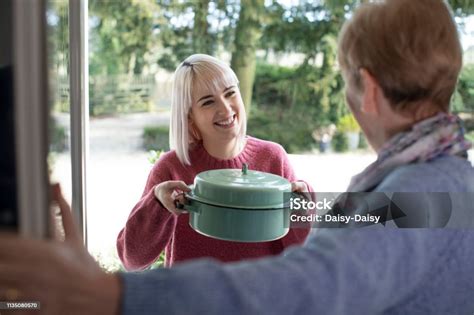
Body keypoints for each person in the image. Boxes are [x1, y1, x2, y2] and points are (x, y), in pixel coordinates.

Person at [0, 0, 473, 314]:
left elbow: (314, 281)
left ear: (367, 89)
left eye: (346, 79)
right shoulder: (448, 187)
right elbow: (369, 231)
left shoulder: (424, 193)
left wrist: (108, 294)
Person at [116, 54, 311, 269]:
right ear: (189, 117)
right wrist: (157, 203)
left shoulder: (273, 157)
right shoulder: (172, 168)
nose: (226, 109)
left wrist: (305, 203)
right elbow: (132, 260)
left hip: (261, 299)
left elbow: (302, 250)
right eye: (208, 102)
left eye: (230, 93)